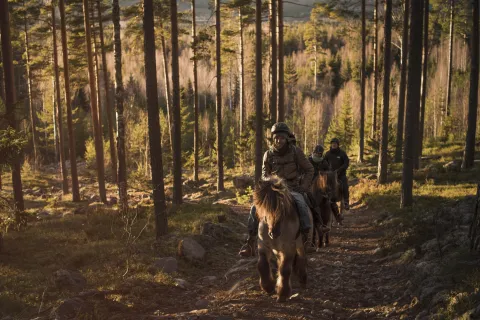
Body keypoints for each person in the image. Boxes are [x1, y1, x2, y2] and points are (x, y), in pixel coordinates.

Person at [238, 122, 329, 257]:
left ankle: (307, 239)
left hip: (292, 187)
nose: (278, 140)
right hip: (273, 189)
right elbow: (264, 174)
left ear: (287, 138)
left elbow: (309, 169)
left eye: (281, 137)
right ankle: (250, 242)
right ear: (273, 138)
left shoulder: (296, 151)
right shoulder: (267, 154)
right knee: (254, 208)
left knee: (302, 203)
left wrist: (303, 186)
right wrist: (269, 184)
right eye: (276, 137)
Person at [309, 144, 344, 225]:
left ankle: (337, 216)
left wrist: (324, 177)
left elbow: (329, 173)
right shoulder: (308, 160)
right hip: (309, 183)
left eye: (319, 153)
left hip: (321, 185)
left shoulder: (324, 162)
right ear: (313, 152)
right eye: (317, 153)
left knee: (330, 199)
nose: (318, 154)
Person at [324, 138, 350, 210]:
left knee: (345, 186)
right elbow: (324, 163)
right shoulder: (327, 154)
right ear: (331, 144)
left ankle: (346, 202)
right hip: (330, 175)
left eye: (335, 143)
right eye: (332, 143)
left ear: (338, 145)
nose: (334, 144)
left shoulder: (342, 153)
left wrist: (340, 170)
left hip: (340, 175)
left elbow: (346, 163)